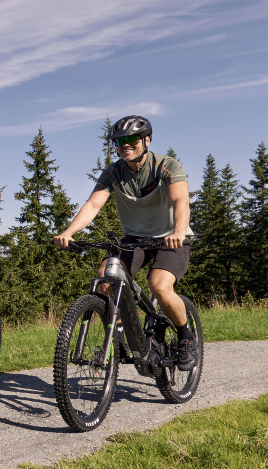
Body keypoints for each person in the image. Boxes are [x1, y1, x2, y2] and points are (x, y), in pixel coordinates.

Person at [54, 115, 197, 370]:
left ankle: (186, 337)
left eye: (131, 139)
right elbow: (93, 204)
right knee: (106, 277)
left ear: (147, 140)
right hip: (135, 239)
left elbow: (180, 202)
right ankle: (119, 339)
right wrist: (69, 232)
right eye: (119, 141)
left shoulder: (167, 166)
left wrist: (177, 231)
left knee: (160, 286)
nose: (125, 145)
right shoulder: (114, 172)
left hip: (171, 238)